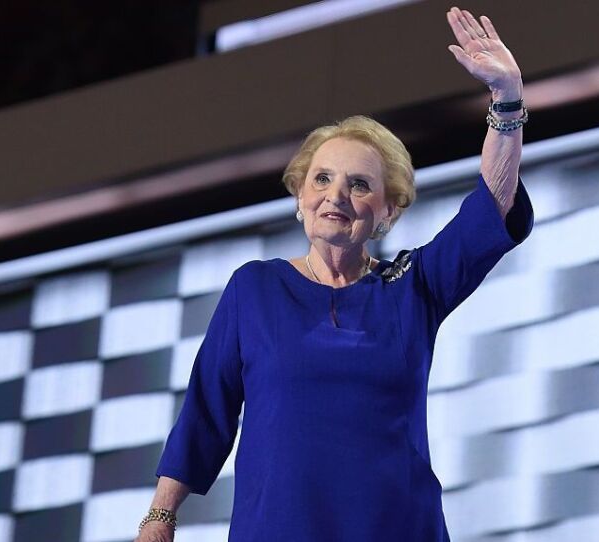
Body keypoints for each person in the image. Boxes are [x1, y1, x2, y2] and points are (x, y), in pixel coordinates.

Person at [135, 6, 533, 541]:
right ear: (300, 198)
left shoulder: (413, 288)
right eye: (321, 178)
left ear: (388, 212)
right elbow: (207, 408)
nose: (336, 195)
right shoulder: (255, 289)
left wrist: (506, 100)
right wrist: (161, 515)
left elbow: (492, 205)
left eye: (360, 185)